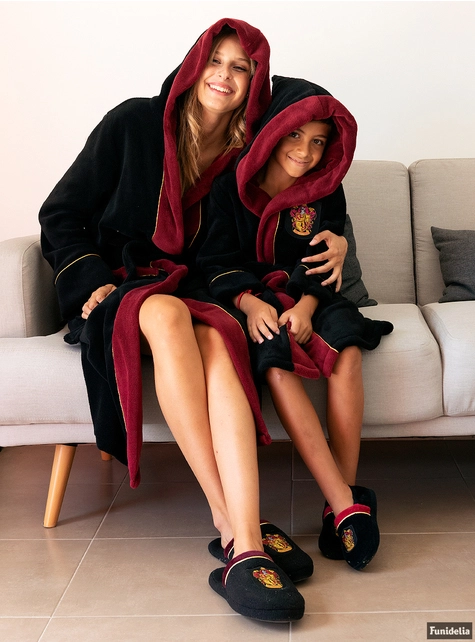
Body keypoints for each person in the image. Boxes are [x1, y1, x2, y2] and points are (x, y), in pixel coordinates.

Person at [39, 20, 357, 622]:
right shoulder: (132, 122)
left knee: (221, 337)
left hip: (194, 286)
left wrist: (339, 238)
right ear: (194, 64)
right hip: (120, 284)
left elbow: (310, 155)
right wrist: (89, 279)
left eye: (241, 68)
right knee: (163, 313)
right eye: (216, 61)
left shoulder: (246, 149)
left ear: (255, 82)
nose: (224, 76)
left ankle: (248, 533)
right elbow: (60, 212)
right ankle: (229, 524)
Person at [198, 75, 394, 573]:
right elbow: (213, 259)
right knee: (276, 357)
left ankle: (337, 507)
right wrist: (248, 303)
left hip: (311, 295)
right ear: (272, 132)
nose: (306, 152)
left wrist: (307, 306)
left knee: (348, 349)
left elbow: (323, 257)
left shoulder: (325, 189)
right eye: (295, 135)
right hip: (255, 299)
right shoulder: (228, 185)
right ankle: (346, 502)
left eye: (319, 142)